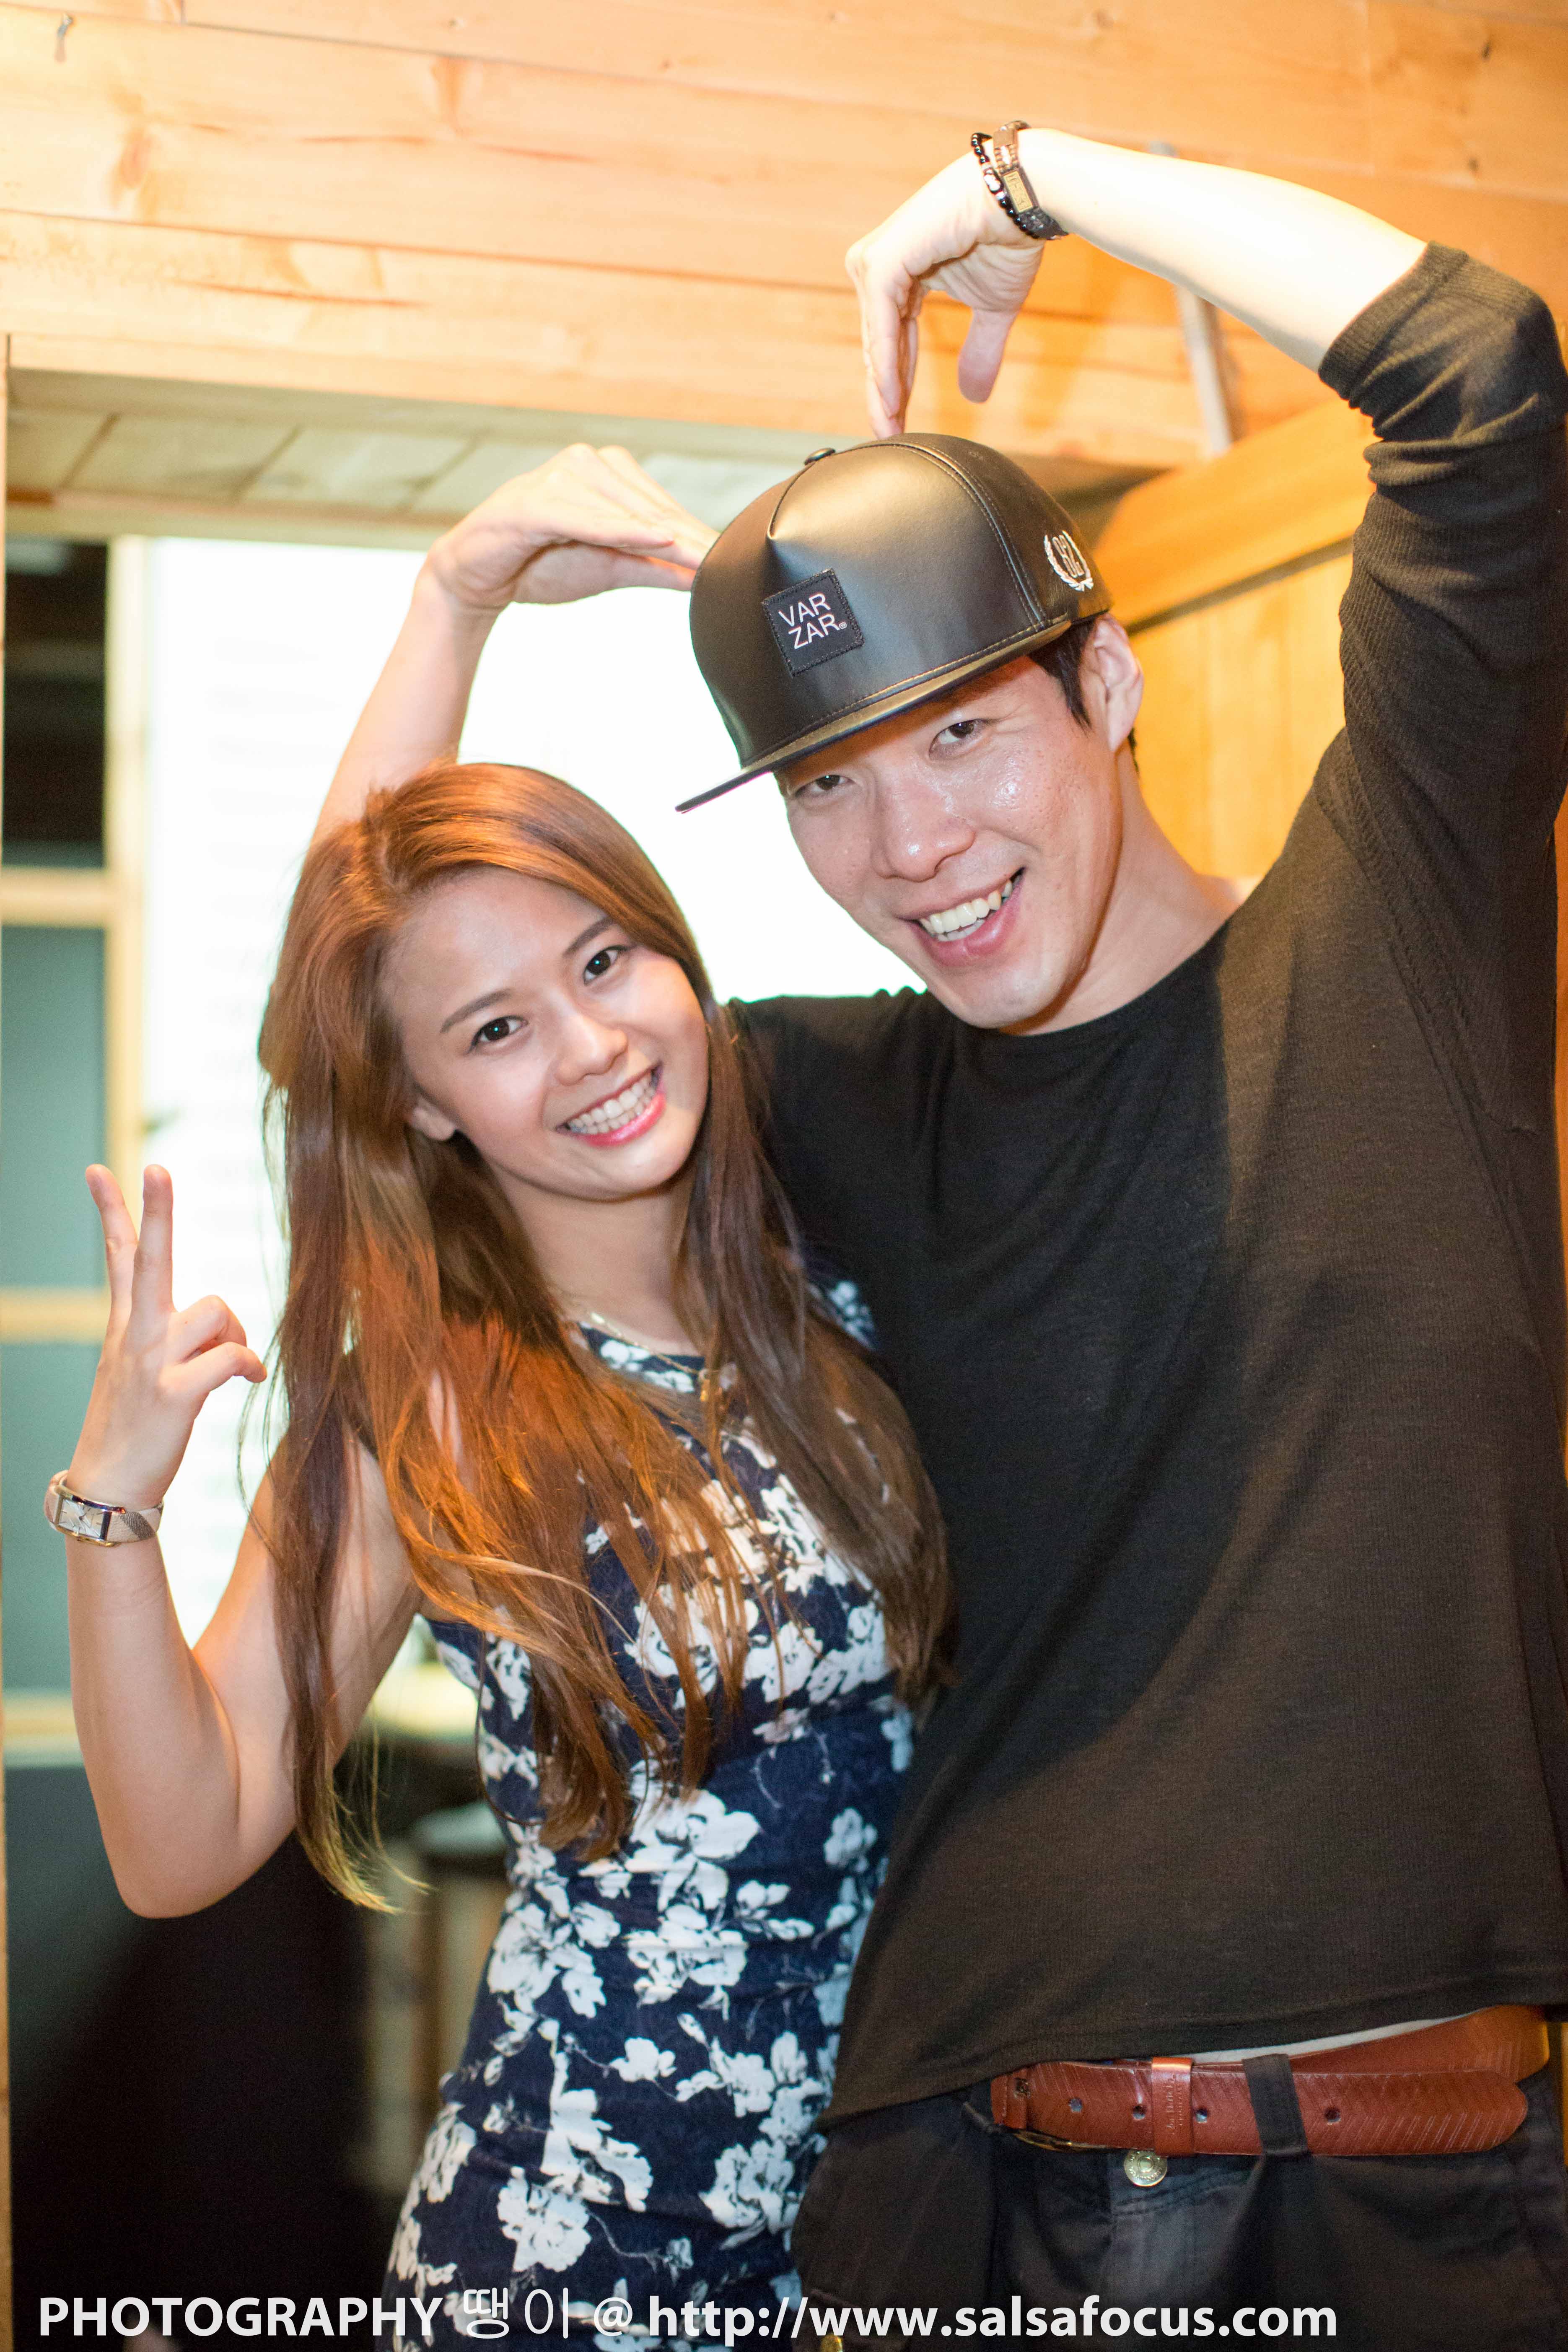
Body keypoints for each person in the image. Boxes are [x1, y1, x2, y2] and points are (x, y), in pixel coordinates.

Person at [669, 130, 1568, 2345]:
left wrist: (1032, 176)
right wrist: (454, 605)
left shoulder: (1397, 930)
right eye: (827, 784)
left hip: (1423, 2212)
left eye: (962, 732)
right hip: (968, 2194)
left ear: (1112, 681)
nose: (910, 845)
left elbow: (1483, 374)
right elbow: (400, 1040)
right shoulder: (839, 1099)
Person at [50, 579, 950, 2335]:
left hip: (875, 2242)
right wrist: (117, 1505)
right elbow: (182, 1837)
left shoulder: (827, 1263)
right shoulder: (440, 1402)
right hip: (570, 2259)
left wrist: (467, 592)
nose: (593, 1046)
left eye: (604, 961)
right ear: (424, 1101)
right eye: (496, 1029)